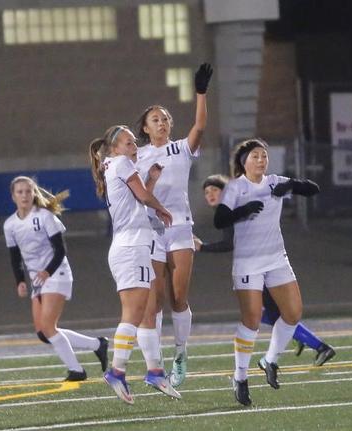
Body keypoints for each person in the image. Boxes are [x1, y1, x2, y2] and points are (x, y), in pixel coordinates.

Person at [213, 139, 320, 406]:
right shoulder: (236, 187)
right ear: (243, 162)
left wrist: (293, 185)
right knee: (251, 321)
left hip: (276, 259)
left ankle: (269, 360)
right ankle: (240, 377)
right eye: (255, 156)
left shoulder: (275, 182)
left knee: (293, 314)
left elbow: (313, 189)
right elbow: (219, 220)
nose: (261, 160)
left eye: (264, 156)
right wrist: (243, 210)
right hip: (248, 263)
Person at [195, 174, 336, 367]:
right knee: (270, 314)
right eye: (206, 192)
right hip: (259, 268)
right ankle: (304, 339)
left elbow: (229, 244)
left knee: (273, 315)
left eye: (215, 190)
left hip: (263, 268)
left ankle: (319, 346)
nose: (210, 194)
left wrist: (202, 247)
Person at [133, 62, 213, 388]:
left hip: (180, 227)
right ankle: (156, 363)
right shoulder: (135, 156)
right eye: (156, 119)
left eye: (166, 118)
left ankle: (181, 354)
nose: (163, 122)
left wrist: (201, 92)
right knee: (154, 301)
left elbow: (201, 126)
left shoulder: (180, 148)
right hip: (150, 231)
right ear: (145, 128)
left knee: (179, 296)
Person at [88, 125, 180, 404]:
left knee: (142, 313)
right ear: (115, 148)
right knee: (133, 313)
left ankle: (154, 371)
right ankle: (117, 371)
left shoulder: (114, 165)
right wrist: (163, 207)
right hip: (131, 248)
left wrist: (150, 180)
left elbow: (137, 199)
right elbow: (143, 197)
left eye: (133, 143)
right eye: (128, 143)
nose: (134, 147)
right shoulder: (122, 163)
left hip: (130, 246)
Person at [3, 176, 108, 382]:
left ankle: (76, 370)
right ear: (13, 196)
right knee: (43, 333)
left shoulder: (44, 216)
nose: (24, 195)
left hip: (57, 273)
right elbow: (15, 256)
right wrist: (20, 281)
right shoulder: (10, 225)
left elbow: (60, 249)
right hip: (38, 280)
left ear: (34, 194)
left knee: (49, 327)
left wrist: (47, 271)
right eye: (20, 192)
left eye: (28, 191)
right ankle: (97, 344)